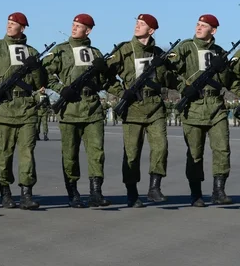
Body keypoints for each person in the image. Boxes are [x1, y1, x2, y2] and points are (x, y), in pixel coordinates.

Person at [0, 12, 47, 209]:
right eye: (8, 22)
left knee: (27, 153)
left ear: (22, 28)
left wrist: (36, 69)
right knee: (4, 153)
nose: (9, 25)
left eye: (14, 23)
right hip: (4, 109)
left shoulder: (32, 51)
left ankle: (26, 193)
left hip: (26, 109)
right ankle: (5, 192)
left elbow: (39, 82)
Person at [42, 14, 111, 208]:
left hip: (92, 109)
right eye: (73, 25)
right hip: (70, 109)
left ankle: (96, 192)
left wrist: (103, 71)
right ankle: (73, 193)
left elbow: (104, 81)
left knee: (97, 152)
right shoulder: (61, 51)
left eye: (79, 26)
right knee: (70, 154)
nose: (74, 28)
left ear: (87, 31)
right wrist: (59, 89)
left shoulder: (96, 53)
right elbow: (44, 73)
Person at [105, 14, 170, 207]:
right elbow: (105, 76)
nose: (137, 26)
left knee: (161, 147)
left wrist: (167, 72)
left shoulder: (158, 53)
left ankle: (154, 187)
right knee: (132, 153)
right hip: (132, 107)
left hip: (155, 107)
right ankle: (132, 193)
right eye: (137, 23)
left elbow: (167, 79)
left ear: (151, 30)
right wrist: (121, 92)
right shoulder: (124, 49)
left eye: (142, 24)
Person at [169, 14, 233, 206]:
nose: (198, 27)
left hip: (216, 107)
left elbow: (227, 81)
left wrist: (223, 69)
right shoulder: (186, 47)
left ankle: (218, 190)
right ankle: (195, 193)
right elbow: (170, 72)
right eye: (198, 24)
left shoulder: (220, 52)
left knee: (222, 149)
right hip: (194, 106)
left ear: (213, 31)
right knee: (195, 153)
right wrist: (183, 88)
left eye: (203, 25)